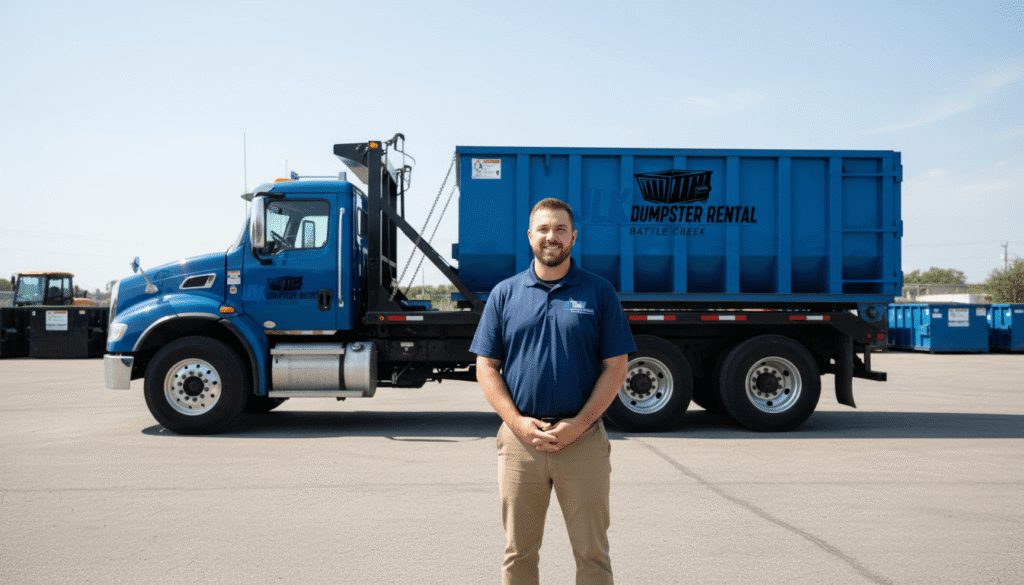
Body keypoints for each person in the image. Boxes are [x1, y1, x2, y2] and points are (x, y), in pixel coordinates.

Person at [470, 198, 636, 585]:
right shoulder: (505, 294)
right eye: (543, 229)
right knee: (518, 554)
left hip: (582, 442)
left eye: (561, 229)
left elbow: (616, 367)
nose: (552, 236)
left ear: (573, 237)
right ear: (530, 236)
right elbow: (486, 367)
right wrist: (516, 423)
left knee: (593, 555)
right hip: (519, 443)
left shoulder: (599, 293)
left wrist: (579, 425)